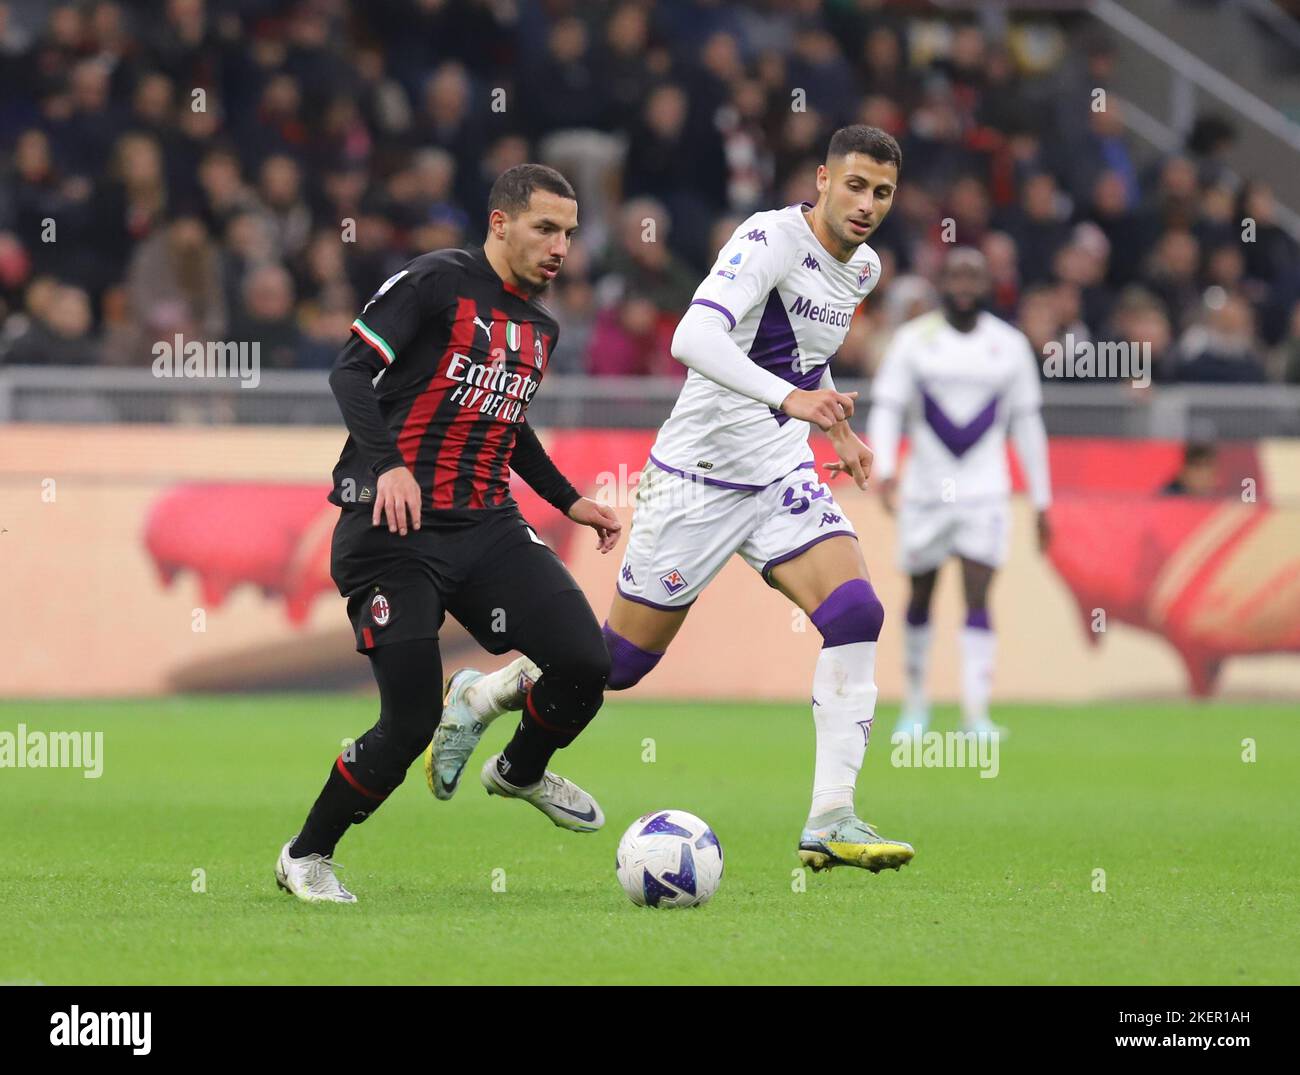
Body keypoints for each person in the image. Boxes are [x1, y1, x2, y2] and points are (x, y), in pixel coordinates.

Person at [429, 126, 915, 874]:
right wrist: (791, 399)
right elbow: (694, 338)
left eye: (881, 191)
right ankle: (487, 696)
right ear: (821, 179)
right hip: (696, 480)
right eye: (853, 184)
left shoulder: (865, 269)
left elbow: (798, 358)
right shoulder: (770, 239)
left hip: (781, 472)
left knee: (856, 614)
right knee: (615, 664)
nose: (866, 204)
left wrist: (835, 427)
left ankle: (830, 817)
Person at [276, 164, 622, 904]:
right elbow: (349, 373)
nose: (560, 246)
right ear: (500, 223)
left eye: (568, 232)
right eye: (544, 228)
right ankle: (306, 853)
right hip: (392, 529)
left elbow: (509, 422)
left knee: (587, 662)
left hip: (487, 526)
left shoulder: (542, 326)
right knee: (408, 723)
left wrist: (569, 501)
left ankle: (520, 769)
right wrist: (389, 466)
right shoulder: (435, 281)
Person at [866, 247, 1052, 742]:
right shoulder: (913, 341)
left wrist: (1041, 499)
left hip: (984, 493)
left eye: (975, 276)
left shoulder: (1008, 345)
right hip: (924, 491)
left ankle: (975, 714)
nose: (965, 285)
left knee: (978, 593)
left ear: (989, 284)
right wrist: (884, 468)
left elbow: (1028, 422)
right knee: (921, 592)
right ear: (941, 283)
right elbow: (886, 407)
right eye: (956, 275)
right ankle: (915, 707)